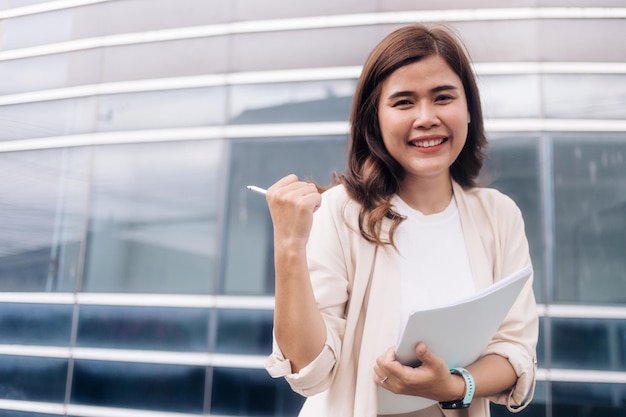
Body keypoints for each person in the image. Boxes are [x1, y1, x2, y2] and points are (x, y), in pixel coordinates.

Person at [263, 23, 538, 417]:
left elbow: (515, 350)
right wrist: (289, 246)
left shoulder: (499, 215)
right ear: (374, 118)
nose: (426, 118)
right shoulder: (340, 212)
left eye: (443, 97)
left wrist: (455, 386)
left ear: (468, 109)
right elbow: (309, 372)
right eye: (404, 102)